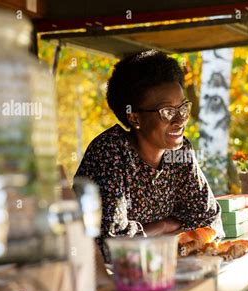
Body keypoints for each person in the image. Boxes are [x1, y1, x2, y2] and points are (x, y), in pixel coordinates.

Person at [74, 50, 223, 263]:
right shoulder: (110, 152)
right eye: (167, 112)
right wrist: (164, 226)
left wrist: (147, 234)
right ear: (135, 118)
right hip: (108, 281)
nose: (180, 120)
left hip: (162, 267)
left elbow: (210, 220)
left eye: (183, 108)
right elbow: (111, 245)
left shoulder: (179, 153)